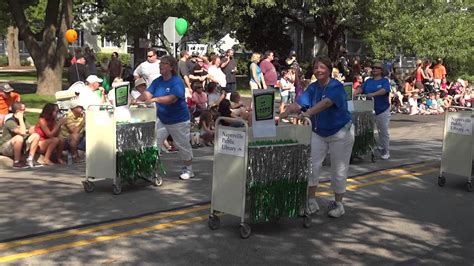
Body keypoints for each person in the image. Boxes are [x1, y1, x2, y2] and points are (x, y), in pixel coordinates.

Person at [280, 56, 354, 218]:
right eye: (316, 68)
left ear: (328, 69)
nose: (318, 70)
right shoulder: (313, 88)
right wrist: (284, 113)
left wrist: (308, 113)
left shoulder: (336, 86)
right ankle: (311, 201)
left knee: (338, 169)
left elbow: (326, 103)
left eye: (322, 67)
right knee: (312, 166)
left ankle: (339, 203)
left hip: (340, 132)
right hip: (319, 132)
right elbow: (299, 104)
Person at [137, 55, 194, 180]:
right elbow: (147, 93)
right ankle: (149, 169)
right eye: (160, 63)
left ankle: (188, 169)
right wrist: (135, 101)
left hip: (178, 120)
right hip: (162, 118)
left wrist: (155, 99)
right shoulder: (158, 81)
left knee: (182, 145)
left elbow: (172, 99)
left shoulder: (176, 81)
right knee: (153, 143)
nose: (161, 65)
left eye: (165, 63)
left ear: (172, 67)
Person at [355, 62, 391, 160]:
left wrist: (373, 94)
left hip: (382, 109)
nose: (374, 69)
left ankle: (385, 150)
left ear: (382, 70)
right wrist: (355, 93)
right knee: (364, 131)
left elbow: (385, 90)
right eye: (373, 67)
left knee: (383, 131)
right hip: (368, 110)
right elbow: (361, 89)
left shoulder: (384, 81)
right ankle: (361, 151)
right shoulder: (368, 81)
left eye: (377, 68)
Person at [0, 102, 41, 168]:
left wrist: (33, 128)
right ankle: (17, 162)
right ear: (18, 111)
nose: (25, 111)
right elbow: (22, 132)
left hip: (19, 145)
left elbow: (31, 130)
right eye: (23, 109)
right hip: (6, 148)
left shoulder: (23, 120)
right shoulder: (10, 122)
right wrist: (21, 118)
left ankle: (30, 160)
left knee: (36, 136)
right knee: (19, 137)